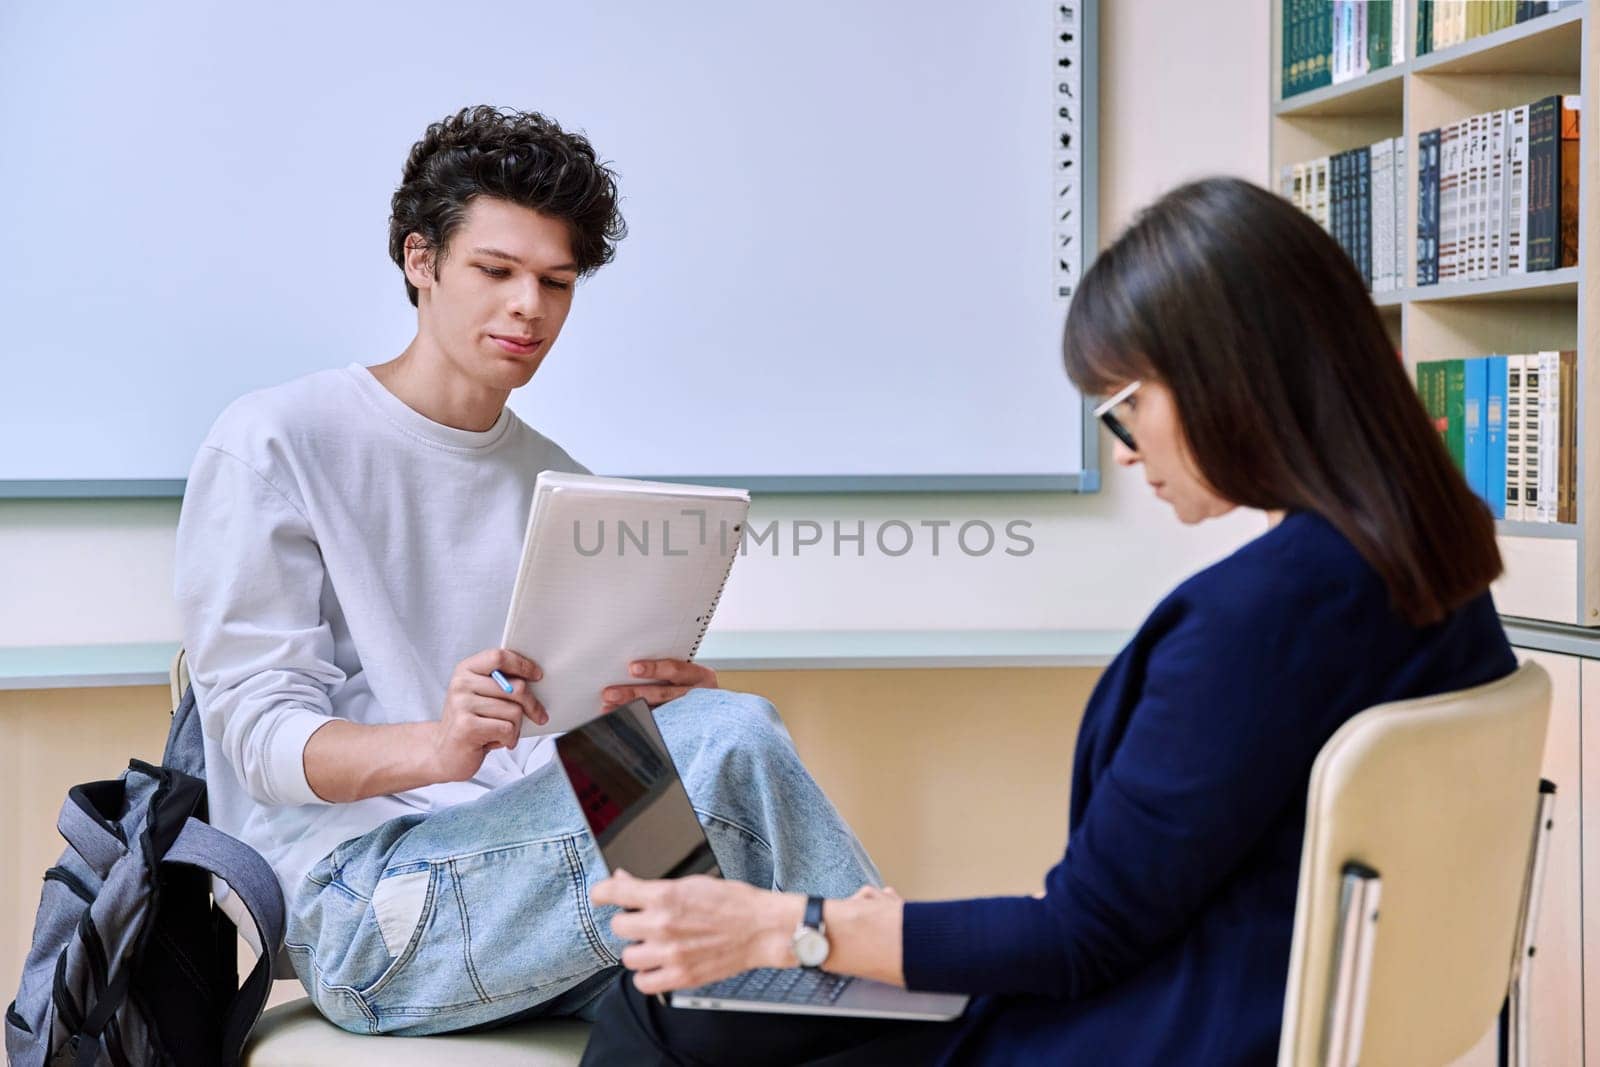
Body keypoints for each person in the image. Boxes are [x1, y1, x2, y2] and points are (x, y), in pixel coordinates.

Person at [575, 176, 1519, 1066]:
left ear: (1230, 374)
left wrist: (785, 923)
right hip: (1224, 1013)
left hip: (1143, 1034)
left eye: (1129, 404)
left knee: (659, 1012)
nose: (1124, 450)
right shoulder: (1430, 567)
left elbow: (1081, 935)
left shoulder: (1260, 620)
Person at [172, 105, 878, 1036]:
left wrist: (644, 719)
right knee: (736, 747)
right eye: (496, 271)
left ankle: (906, 991)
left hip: (537, 880)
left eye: (556, 281)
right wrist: (440, 745)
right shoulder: (277, 441)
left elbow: (566, 758)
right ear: (421, 262)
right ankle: (920, 973)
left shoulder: (562, 488)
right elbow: (258, 740)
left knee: (771, 983)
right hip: (365, 908)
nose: (528, 307)